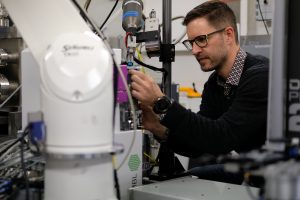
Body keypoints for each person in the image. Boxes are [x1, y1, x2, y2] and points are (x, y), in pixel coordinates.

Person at [129, 0, 269, 184]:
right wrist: (159, 128)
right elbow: (201, 144)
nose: (194, 50)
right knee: (187, 179)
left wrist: (161, 102)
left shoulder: (259, 76)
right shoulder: (215, 82)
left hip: (279, 176)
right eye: (191, 42)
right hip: (252, 169)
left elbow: (222, 138)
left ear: (228, 34)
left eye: (201, 40)